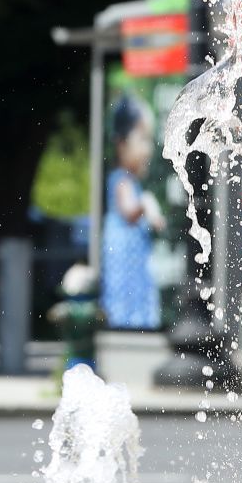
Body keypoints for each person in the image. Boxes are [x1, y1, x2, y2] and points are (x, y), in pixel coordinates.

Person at [101, 95, 166, 330]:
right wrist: (146, 203)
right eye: (142, 139)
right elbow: (129, 211)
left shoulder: (130, 183)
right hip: (125, 271)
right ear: (121, 144)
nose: (148, 149)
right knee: (128, 311)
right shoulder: (122, 181)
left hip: (134, 267)